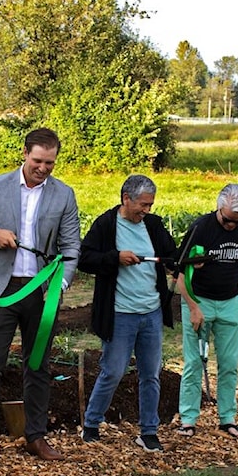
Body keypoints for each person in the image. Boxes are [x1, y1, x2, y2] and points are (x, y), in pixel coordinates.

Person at [0, 128, 81, 461]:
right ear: (24, 153)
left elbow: (71, 247)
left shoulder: (64, 195)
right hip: (0, 289)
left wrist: (58, 286)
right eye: (38, 161)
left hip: (43, 291)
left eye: (50, 162)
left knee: (38, 365)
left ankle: (35, 434)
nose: (43, 168)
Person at [77, 175, 177, 452]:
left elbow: (171, 255)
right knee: (113, 371)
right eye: (142, 205)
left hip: (151, 313)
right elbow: (85, 258)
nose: (146, 211)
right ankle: (91, 425)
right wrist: (115, 258)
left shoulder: (153, 225)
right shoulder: (106, 225)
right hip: (120, 313)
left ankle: (148, 431)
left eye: (150, 205)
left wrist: (183, 263)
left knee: (151, 373)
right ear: (126, 199)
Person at [175, 183, 238, 439]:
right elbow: (178, 273)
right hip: (199, 300)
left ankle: (227, 418)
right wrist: (192, 307)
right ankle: (188, 419)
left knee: (229, 363)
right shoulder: (201, 227)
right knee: (193, 363)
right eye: (228, 221)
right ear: (218, 208)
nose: (232, 226)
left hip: (230, 301)